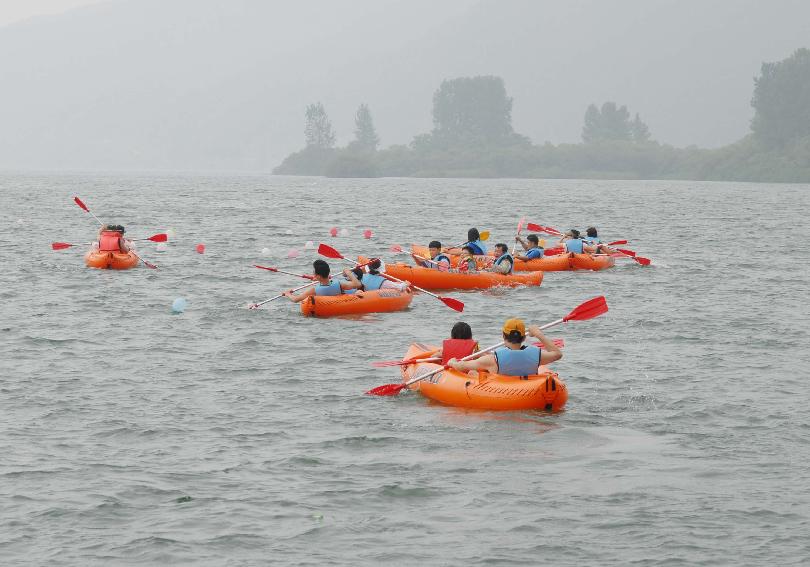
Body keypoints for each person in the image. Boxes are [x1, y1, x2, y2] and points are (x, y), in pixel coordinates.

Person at [448, 318, 562, 376]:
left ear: (503, 336)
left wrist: (452, 362)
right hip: (529, 391)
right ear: (523, 338)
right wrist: (538, 334)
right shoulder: (537, 355)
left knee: (473, 373)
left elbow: (462, 366)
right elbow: (557, 354)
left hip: (504, 395)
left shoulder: (493, 359)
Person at [284, 259, 360, 302]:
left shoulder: (314, 290)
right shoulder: (339, 284)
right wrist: (348, 272)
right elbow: (357, 284)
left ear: (319, 276)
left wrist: (287, 294)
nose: (313, 273)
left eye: (314, 273)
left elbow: (295, 299)